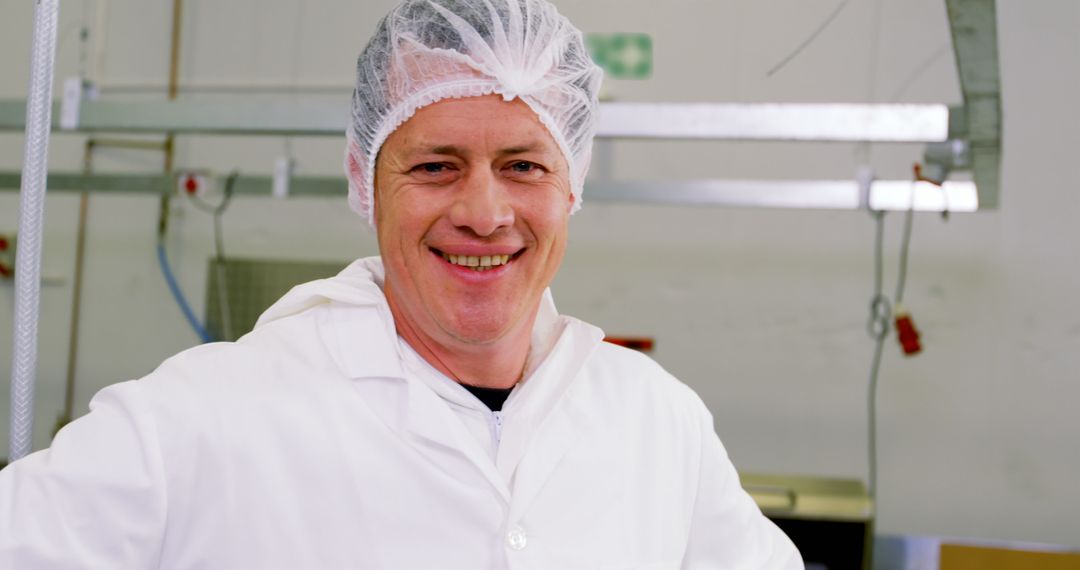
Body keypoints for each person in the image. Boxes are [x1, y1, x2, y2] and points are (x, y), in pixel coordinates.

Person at [0, 0, 802, 567]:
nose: (485, 214)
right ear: (364, 180)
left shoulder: (655, 421)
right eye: (435, 166)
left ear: (572, 183)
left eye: (523, 165)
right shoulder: (202, 419)